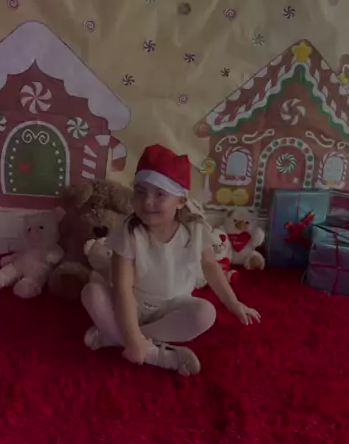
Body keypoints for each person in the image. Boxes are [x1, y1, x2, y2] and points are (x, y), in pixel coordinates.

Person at [81, 144, 261, 375]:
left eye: (160, 194)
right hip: (133, 305)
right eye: (140, 192)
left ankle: (116, 337)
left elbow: (211, 267)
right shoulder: (129, 231)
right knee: (91, 292)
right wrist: (133, 337)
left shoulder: (195, 229)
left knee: (206, 314)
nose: (148, 202)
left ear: (181, 201)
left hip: (173, 306)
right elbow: (122, 289)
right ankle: (154, 354)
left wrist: (234, 304)